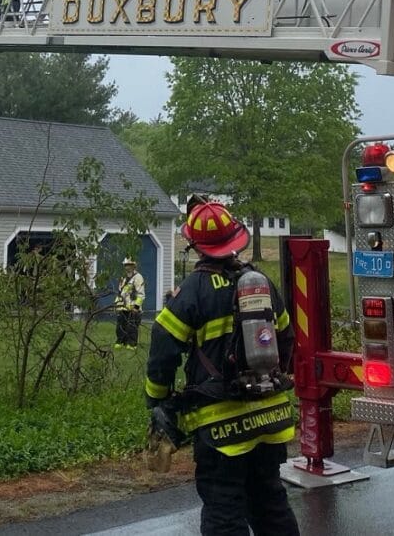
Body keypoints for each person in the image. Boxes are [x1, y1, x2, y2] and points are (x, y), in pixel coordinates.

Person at [145, 198, 299, 536]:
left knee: (223, 513)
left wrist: (157, 399)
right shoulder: (260, 282)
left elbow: (162, 346)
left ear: (196, 246)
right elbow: (287, 338)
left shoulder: (194, 290)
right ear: (236, 239)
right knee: (271, 504)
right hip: (270, 419)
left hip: (221, 430)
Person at [114, 256, 145, 349]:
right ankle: (120, 342)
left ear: (134, 266)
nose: (127, 267)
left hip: (133, 307)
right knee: (120, 325)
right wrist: (117, 305)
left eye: (129, 265)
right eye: (126, 265)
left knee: (132, 326)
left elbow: (141, 294)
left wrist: (136, 307)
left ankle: (132, 344)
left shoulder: (138, 277)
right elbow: (120, 292)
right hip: (122, 306)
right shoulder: (123, 278)